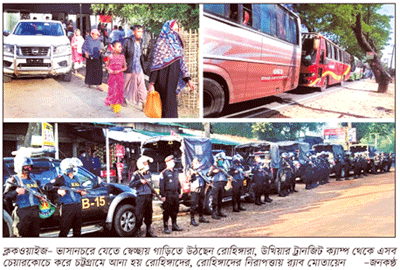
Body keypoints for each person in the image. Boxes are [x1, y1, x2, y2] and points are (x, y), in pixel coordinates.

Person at [148, 20, 195, 118]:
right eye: (174, 29)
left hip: (173, 78)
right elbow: (155, 65)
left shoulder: (177, 44)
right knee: (162, 104)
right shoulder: (160, 43)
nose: (176, 32)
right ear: (168, 29)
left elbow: (182, 63)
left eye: (177, 30)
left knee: (171, 103)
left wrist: (188, 79)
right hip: (161, 79)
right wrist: (151, 83)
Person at [3, 156, 44, 237]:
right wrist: (16, 192)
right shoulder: (13, 180)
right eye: (25, 166)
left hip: (35, 211)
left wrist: (41, 198)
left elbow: (38, 192)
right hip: (22, 211)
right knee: (21, 235)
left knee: (35, 235)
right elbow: (5, 197)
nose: (28, 168)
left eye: (29, 166)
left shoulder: (33, 179)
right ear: (19, 167)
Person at [50, 158, 86, 237]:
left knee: (77, 229)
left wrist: (83, 192)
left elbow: (82, 190)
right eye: (73, 167)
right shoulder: (61, 179)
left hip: (77, 205)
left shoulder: (76, 178)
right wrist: (58, 191)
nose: (75, 169)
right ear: (68, 169)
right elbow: (48, 187)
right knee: (65, 229)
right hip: (67, 206)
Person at [128, 156, 157, 237]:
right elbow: (131, 185)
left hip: (148, 196)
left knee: (149, 214)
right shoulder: (136, 174)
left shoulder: (149, 174)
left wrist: (153, 192)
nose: (147, 164)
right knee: (139, 215)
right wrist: (139, 181)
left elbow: (151, 184)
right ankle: (137, 231)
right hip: (141, 197)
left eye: (147, 163)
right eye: (145, 163)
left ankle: (148, 231)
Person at [122, 25, 148, 109]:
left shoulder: (141, 42)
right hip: (129, 67)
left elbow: (140, 56)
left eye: (141, 32)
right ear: (134, 32)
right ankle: (122, 98)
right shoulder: (127, 41)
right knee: (124, 84)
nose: (140, 34)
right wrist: (123, 64)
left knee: (142, 85)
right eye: (138, 32)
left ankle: (144, 102)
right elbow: (122, 54)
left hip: (138, 68)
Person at [160, 155, 183, 234]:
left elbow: (178, 182)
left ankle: (174, 224)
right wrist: (163, 195)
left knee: (175, 210)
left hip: (175, 194)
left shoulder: (176, 171)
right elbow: (161, 185)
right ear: (167, 163)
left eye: (173, 162)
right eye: (171, 162)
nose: (173, 163)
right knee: (167, 211)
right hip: (168, 194)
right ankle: (166, 226)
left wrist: (179, 192)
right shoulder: (164, 173)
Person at [104, 40, 127, 117]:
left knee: (118, 92)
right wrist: (109, 69)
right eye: (119, 46)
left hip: (119, 77)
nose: (121, 48)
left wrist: (119, 70)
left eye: (121, 47)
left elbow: (125, 67)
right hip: (112, 77)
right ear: (114, 48)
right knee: (112, 91)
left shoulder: (122, 57)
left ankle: (117, 109)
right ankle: (112, 104)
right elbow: (106, 65)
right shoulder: (110, 56)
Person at [187, 158, 210, 226]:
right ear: (192, 164)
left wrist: (207, 185)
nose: (197, 164)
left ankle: (201, 217)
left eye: (198, 163)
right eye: (195, 163)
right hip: (195, 189)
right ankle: (192, 219)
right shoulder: (190, 171)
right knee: (193, 205)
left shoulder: (201, 171)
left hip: (202, 188)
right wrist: (192, 174)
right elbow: (189, 179)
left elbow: (205, 178)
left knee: (201, 204)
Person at [208, 152, 230, 219]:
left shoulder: (223, 167)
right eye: (221, 159)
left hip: (222, 183)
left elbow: (226, 174)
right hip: (216, 184)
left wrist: (229, 177)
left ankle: (219, 211)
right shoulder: (213, 167)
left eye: (223, 160)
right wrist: (213, 172)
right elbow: (208, 174)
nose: (222, 161)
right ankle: (214, 213)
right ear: (217, 160)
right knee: (215, 199)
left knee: (220, 198)